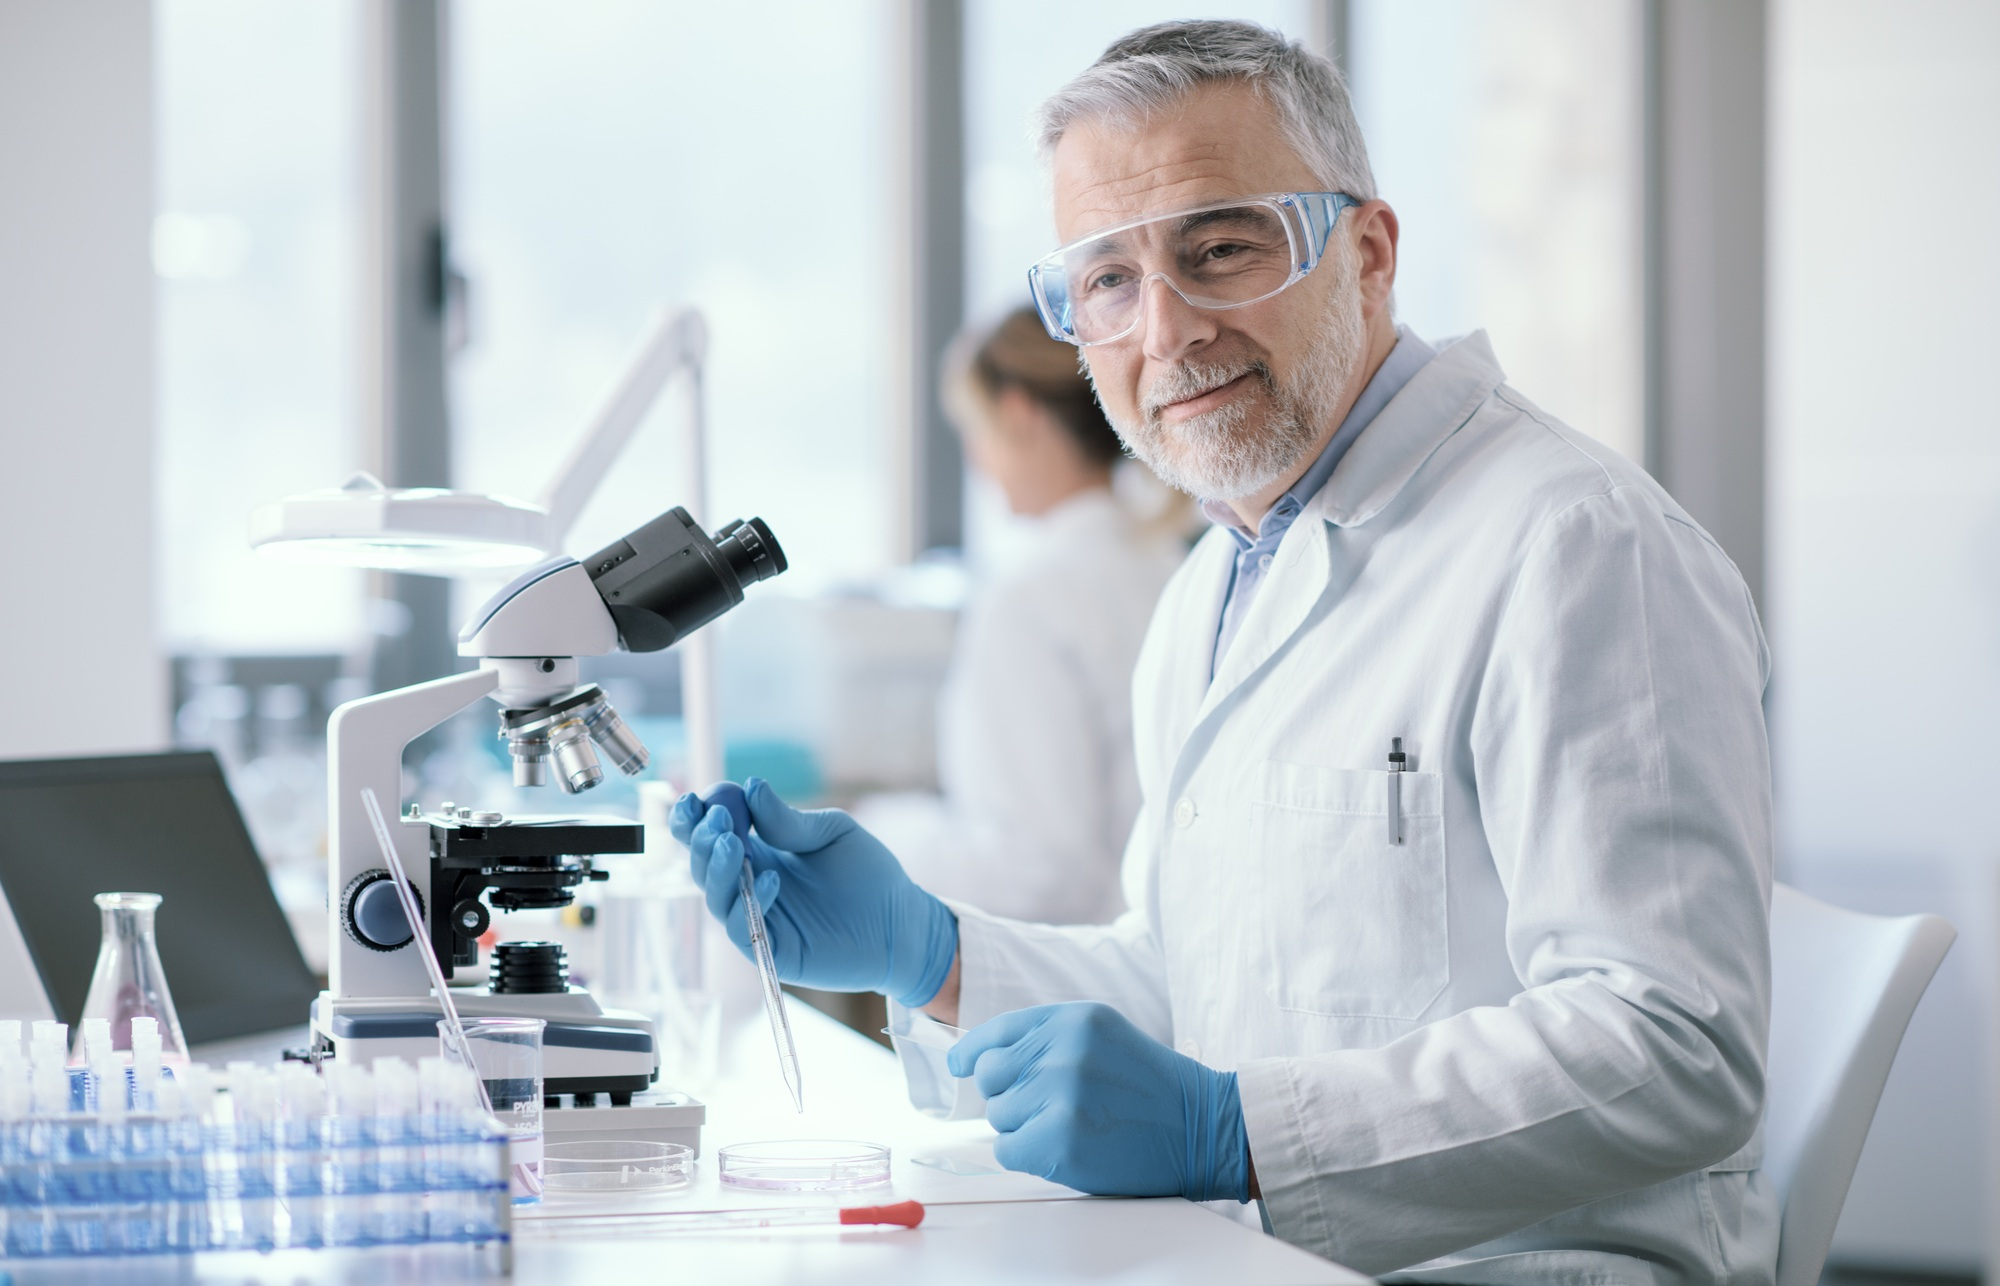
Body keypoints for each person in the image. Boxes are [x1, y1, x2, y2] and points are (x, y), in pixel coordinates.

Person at [674, 20, 1773, 1284]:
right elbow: (1195, 981)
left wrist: (1233, 1131)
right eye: (1107, 279)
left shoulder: (1575, 544)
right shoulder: (1215, 582)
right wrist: (931, 952)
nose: (1166, 330)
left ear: (1367, 253)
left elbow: (1676, 1043)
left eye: (1219, 249)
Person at [857, 306, 1186, 925]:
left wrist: (875, 833)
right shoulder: (1169, 564)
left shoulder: (1031, 598)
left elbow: (1037, 870)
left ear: (1018, 416)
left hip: (1081, 957)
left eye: (973, 432)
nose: (977, 463)